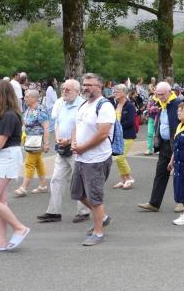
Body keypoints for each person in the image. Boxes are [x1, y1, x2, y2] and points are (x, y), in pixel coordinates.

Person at [36, 79, 91, 223]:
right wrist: (59, 137)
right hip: (62, 147)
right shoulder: (60, 103)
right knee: (56, 179)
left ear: (77, 91)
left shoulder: (83, 105)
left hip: (77, 148)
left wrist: (70, 140)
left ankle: (84, 211)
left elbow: (82, 127)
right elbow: (57, 123)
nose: (65, 91)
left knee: (79, 180)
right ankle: (53, 212)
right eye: (63, 89)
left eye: (68, 89)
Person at [71, 73, 115, 246]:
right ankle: (102, 217)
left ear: (100, 86)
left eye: (90, 84)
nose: (86, 87)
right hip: (81, 157)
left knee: (95, 198)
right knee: (78, 193)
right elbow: (77, 125)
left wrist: (83, 148)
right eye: (84, 84)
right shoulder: (84, 105)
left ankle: (98, 233)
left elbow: (103, 134)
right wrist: (74, 142)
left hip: (96, 159)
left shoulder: (105, 106)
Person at [0, 80, 30, 251]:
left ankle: (20, 228)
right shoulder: (0, 113)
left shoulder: (8, 115)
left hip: (5, 157)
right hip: (0, 157)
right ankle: (0, 240)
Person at [138, 81, 184, 213]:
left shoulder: (177, 104)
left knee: (179, 173)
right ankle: (154, 203)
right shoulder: (162, 103)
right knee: (160, 173)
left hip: (176, 144)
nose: (160, 97)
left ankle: (181, 202)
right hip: (164, 144)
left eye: (162, 94)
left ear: (170, 92)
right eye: (157, 94)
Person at [14, 89, 50, 197]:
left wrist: (46, 143)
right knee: (38, 163)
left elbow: (46, 126)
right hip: (29, 139)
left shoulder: (40, 109)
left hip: (37, 141)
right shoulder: (29, 109)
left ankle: (23, 187)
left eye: (27, 97)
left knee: (29, 163)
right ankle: (43, 185)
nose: (25, 98)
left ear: (34, 98)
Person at [112, 84, 136, 190]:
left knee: (120, 157)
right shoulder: (115, 104)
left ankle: (129, 178)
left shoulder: (130, 105)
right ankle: (123, 179)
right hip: (117, 136)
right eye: (114, 91)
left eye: (117, 91)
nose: (115, 93)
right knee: (117, 158)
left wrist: (118, 128)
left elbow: (130, 122)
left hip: (127, 135)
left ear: (124, 93)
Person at [145, 89, 160, 155]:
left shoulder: (161, 99)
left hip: (158, 118)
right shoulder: (151, 98)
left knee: (157, 134)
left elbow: (161, 108)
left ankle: (157, 149)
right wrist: (148, 113)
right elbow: (148, 108)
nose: (156, 92)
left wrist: (153, 108)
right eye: (155, 91)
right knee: (150, 134)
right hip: (151, 118)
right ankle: (149, 149)